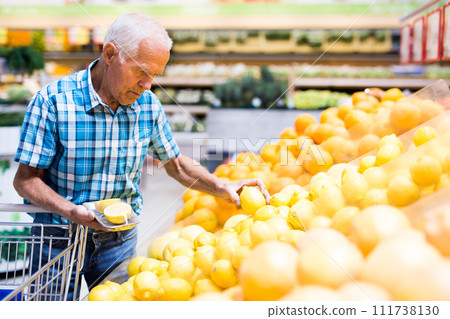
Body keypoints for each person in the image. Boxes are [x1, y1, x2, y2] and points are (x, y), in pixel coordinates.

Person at [13, 13, 270, 300]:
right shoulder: (53, 101)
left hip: (119, 241)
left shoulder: (147, 105)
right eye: (142, 72)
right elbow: (25, 181)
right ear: (110, 54)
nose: (148, 85)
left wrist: (220, 186)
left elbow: (175, 164)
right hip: (59, 239)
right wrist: (71, 211)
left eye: (155, 76)